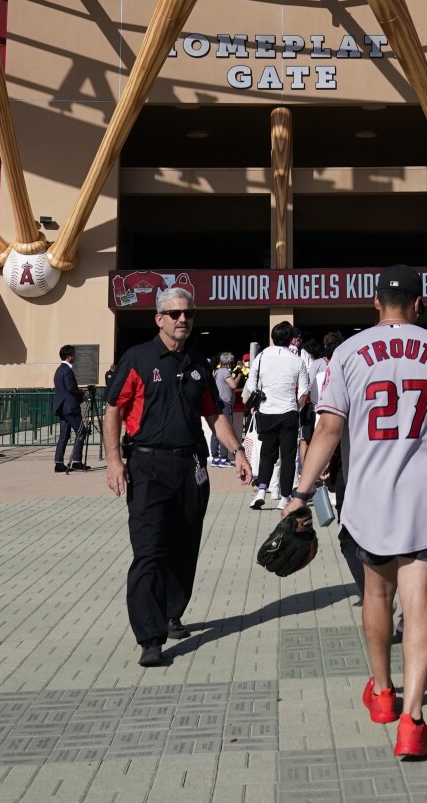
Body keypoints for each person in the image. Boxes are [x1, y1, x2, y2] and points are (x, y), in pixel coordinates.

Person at [283, 266, 427, 760]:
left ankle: (382, 693)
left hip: (368, 498)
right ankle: (413, 722)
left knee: (376, 593)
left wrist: (300, 492)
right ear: (418, 305)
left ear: (376, 303)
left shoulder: (348, 352)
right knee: (420, 603)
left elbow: (328, 428)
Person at [103, 286, 251, 667]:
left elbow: (215, 416)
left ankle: (172, 612)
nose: (182, 319)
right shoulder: (137, 358)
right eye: (174, 314)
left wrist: (238, 452)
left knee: (185, 546)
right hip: (147, 467)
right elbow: (114, 411)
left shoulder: (200, 364)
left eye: (188, 313)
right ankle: (150, 637)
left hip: (191, 467)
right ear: (159, 319)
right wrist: (114, 460)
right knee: (150, 550)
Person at [244, 321, 309, 509]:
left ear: (273, 337)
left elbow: (251, 385)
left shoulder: (262, 356)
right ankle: (285, 497)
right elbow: (304, 391)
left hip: (267, 411)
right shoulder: (297, 360)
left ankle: (262, 491)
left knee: (267, 453)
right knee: (288, 456)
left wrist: (259, 401)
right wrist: (295, 408)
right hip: (288, 411)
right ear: (290, 339)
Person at [52, 344, 89, 473]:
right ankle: (77, 461)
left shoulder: (58, 370)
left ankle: (59, 462)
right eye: (73, 355)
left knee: (64, 435)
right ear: (69, 356)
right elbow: (71, 388)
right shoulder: (67, 370)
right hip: (70, 407)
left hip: (62, 407)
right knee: (81, 431)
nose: (75, 357)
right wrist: (83, 394)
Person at [209, 353, 237, 467]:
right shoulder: (226, 371)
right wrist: (239, 376)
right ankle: (223, 458)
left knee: (215, 430)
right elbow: (234, 385)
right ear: (229, 363)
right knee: (226, 429)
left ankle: (215, 457)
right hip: (225, 403)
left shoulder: (217, 372)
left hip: (218, 402)